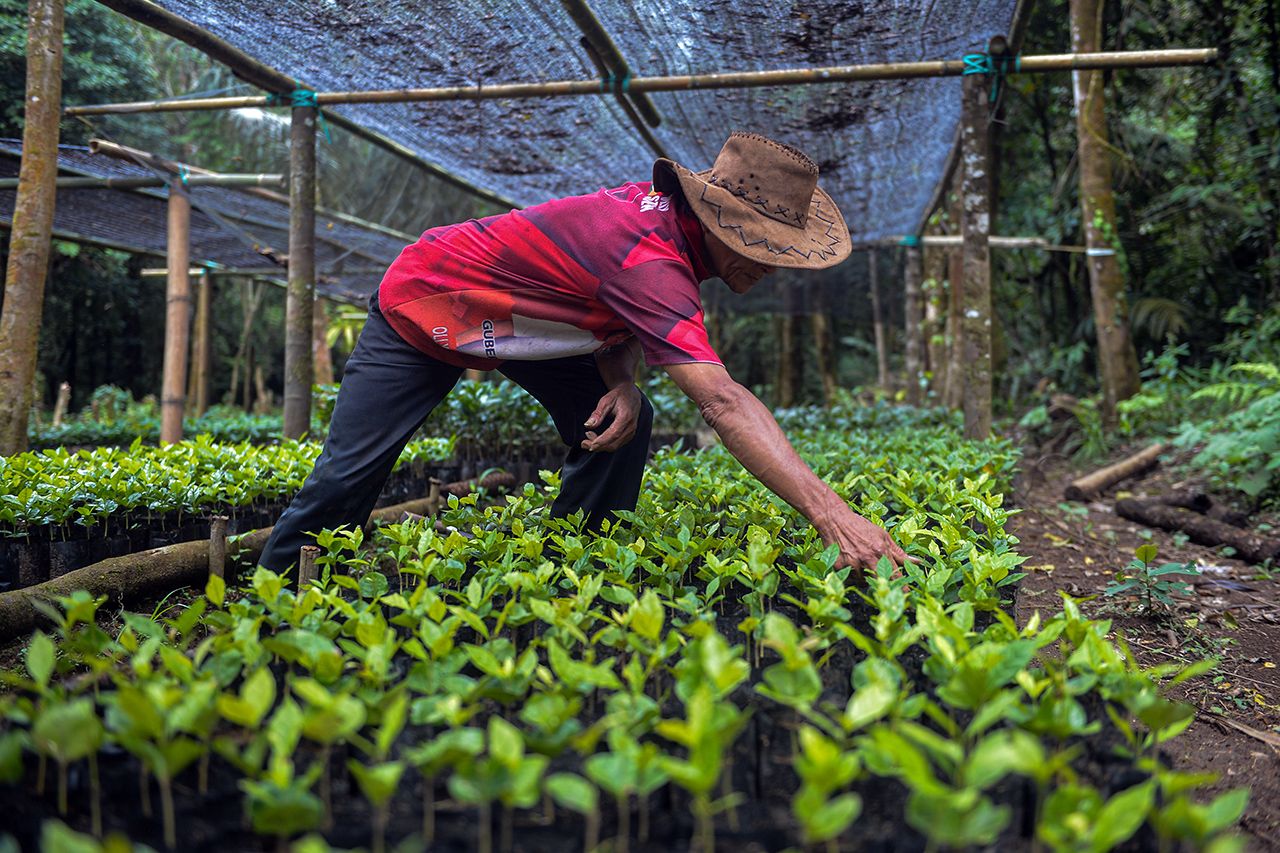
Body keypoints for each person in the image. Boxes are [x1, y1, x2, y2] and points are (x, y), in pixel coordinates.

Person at [258, 131, 910, 578]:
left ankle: (576, 567)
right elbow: (721, 401)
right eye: (766, 249)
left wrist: (621, 381)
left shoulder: (662, 237)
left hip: (518, 325)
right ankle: (263, 610)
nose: (774, 267)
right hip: (428, 305)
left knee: (625, 419)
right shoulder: (650, 258)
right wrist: (832, 512)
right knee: (346, 481)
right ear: (720, 226)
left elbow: (612, 316)